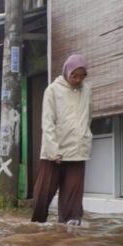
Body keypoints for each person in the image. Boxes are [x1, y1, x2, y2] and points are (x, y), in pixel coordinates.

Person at [31, 55, 92, 225]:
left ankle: (70, 227)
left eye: (81, 76)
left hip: (77, 150)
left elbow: (88, 115)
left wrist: (85, 136)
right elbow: (48, 122)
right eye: (74, 75)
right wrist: (53, 150)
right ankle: (37, 226)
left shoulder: (87, 90)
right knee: (44, 192)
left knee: (73, 196)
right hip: (54, 151)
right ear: (66, 72)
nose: (78, 79)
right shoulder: (52, 90)